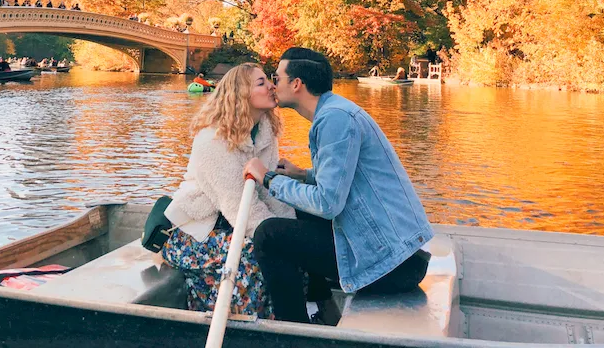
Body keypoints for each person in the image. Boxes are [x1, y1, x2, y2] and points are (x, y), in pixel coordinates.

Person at [243, 47, 434, 324]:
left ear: (297, 84)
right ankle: (322, 308)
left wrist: (269, 178)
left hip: (392, 264)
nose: (273, 85)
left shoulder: (335, 119)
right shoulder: (335, 112)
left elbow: (327, 203)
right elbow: (346, 182)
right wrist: (303, 175)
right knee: (296, 213)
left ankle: (294, 332)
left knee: (268, 235)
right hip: (398, 254)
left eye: (277, 77)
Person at [162, 63, 295, 319]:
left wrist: (291, 231)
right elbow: (238, 208)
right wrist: (282, 240)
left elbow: (269, 194)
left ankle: (290, 320)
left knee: (292, 246)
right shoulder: (213, 139)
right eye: (261, 83)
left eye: (269, 80)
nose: (271, 85)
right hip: (195, 234)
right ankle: (251, 327)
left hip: (232, 227)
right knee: (255, 255)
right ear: (240, 94)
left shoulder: (264, 132)